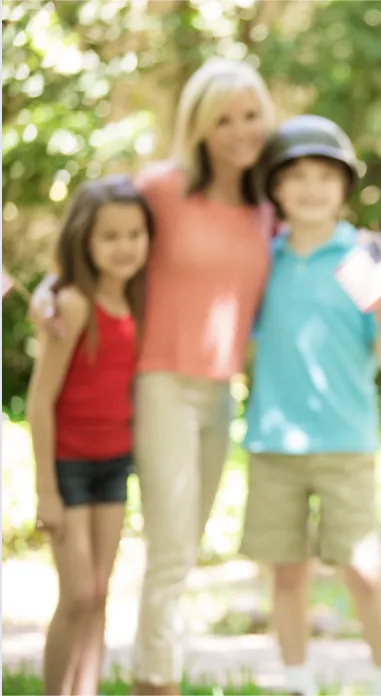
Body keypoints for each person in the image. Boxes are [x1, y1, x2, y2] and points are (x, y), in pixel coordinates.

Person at [31, 58, 277, 695]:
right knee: (170, 552)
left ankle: (136, 672)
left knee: (186, 550)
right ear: (197, 127)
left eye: (250, 115)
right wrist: (49, 287)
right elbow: (94, 230)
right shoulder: (162, 189)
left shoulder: (264, 210)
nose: (239, 130)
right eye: (222, 119)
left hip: (220, 393)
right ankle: (154, 682)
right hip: (160, 385)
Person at [238, 115, 381, 696]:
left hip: (344, 439)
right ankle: (296, 682)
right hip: (273, 442)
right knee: (286, 573)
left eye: (324, 176)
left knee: (363, 568)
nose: (311, 188)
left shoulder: (358, 258)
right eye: (296, 176)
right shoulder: (268, 258)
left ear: (344, 185)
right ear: (275, 189)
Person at [26, 176, 152, 695]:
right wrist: (46, 490)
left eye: (134, 234)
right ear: (84, 239)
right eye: (110, 237)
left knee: (100, 593)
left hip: (113, 463)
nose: (124, 247)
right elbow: (39, 401)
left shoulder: (140, 301)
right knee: (76, 594)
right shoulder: (73, 305)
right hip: (69, 468)